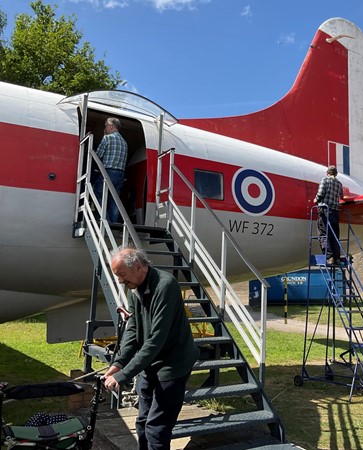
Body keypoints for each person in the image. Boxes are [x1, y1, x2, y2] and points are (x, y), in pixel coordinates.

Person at [103, 247, 199, 450]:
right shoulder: (134, 288)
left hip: (172, 365)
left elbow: (156, 339)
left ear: (138, 267)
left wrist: (123, 376)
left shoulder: (165, 285)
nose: (120, 280)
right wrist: (119, 363)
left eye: (121, 274)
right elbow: (133, 329)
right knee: (142, 423)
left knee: (157, 429)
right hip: (150, 364)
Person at [94, 117, 128, 223]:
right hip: (120, 174)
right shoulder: (124, 142)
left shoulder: (108, 138)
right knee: (114, 198)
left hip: (109, 171)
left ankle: (106, 220)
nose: (105, 128)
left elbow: (98, 154)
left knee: (97, 192)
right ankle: (114, 223)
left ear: (111, 126)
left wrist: (104, 136)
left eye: (106, 126)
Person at [314, 165, 344, 265]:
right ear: (336, 174)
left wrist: (316, 200)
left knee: (323, 233)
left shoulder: (325, 180)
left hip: (325, 210)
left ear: (327, 173)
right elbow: (341, 196)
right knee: (335, 235)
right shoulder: (339, 184)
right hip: (335, 212)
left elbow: (320, 193)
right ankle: (337, 258)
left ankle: (329, 257)